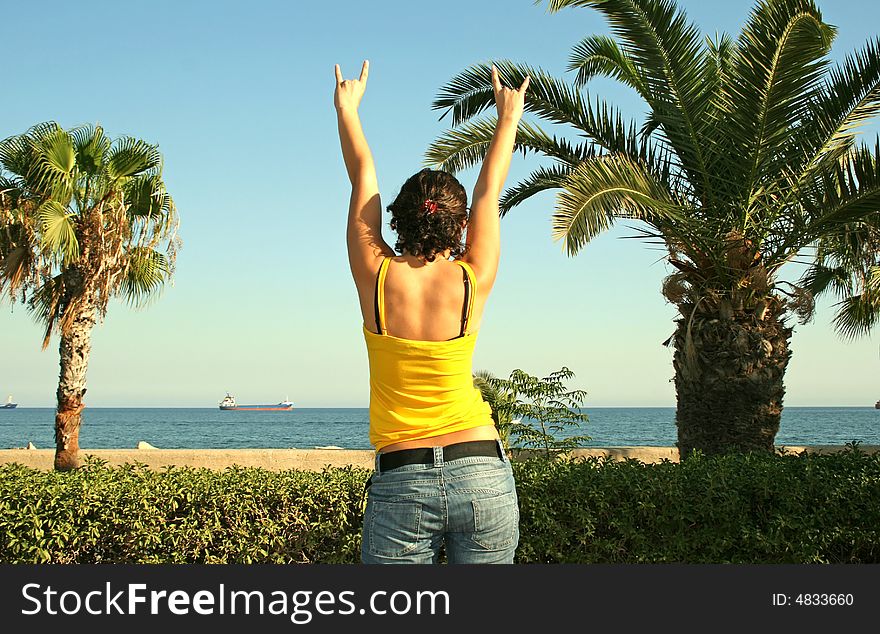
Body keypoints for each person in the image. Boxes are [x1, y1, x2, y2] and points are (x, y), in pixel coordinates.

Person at [334, 59, 529, 564]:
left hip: (403, 479)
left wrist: (348, 109)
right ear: (459, 225)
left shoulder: (375, 275)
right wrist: (508, 117)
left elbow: (363, 178)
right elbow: (491, 191)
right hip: (482, 472)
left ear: (399, 217)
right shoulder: (472, 277)